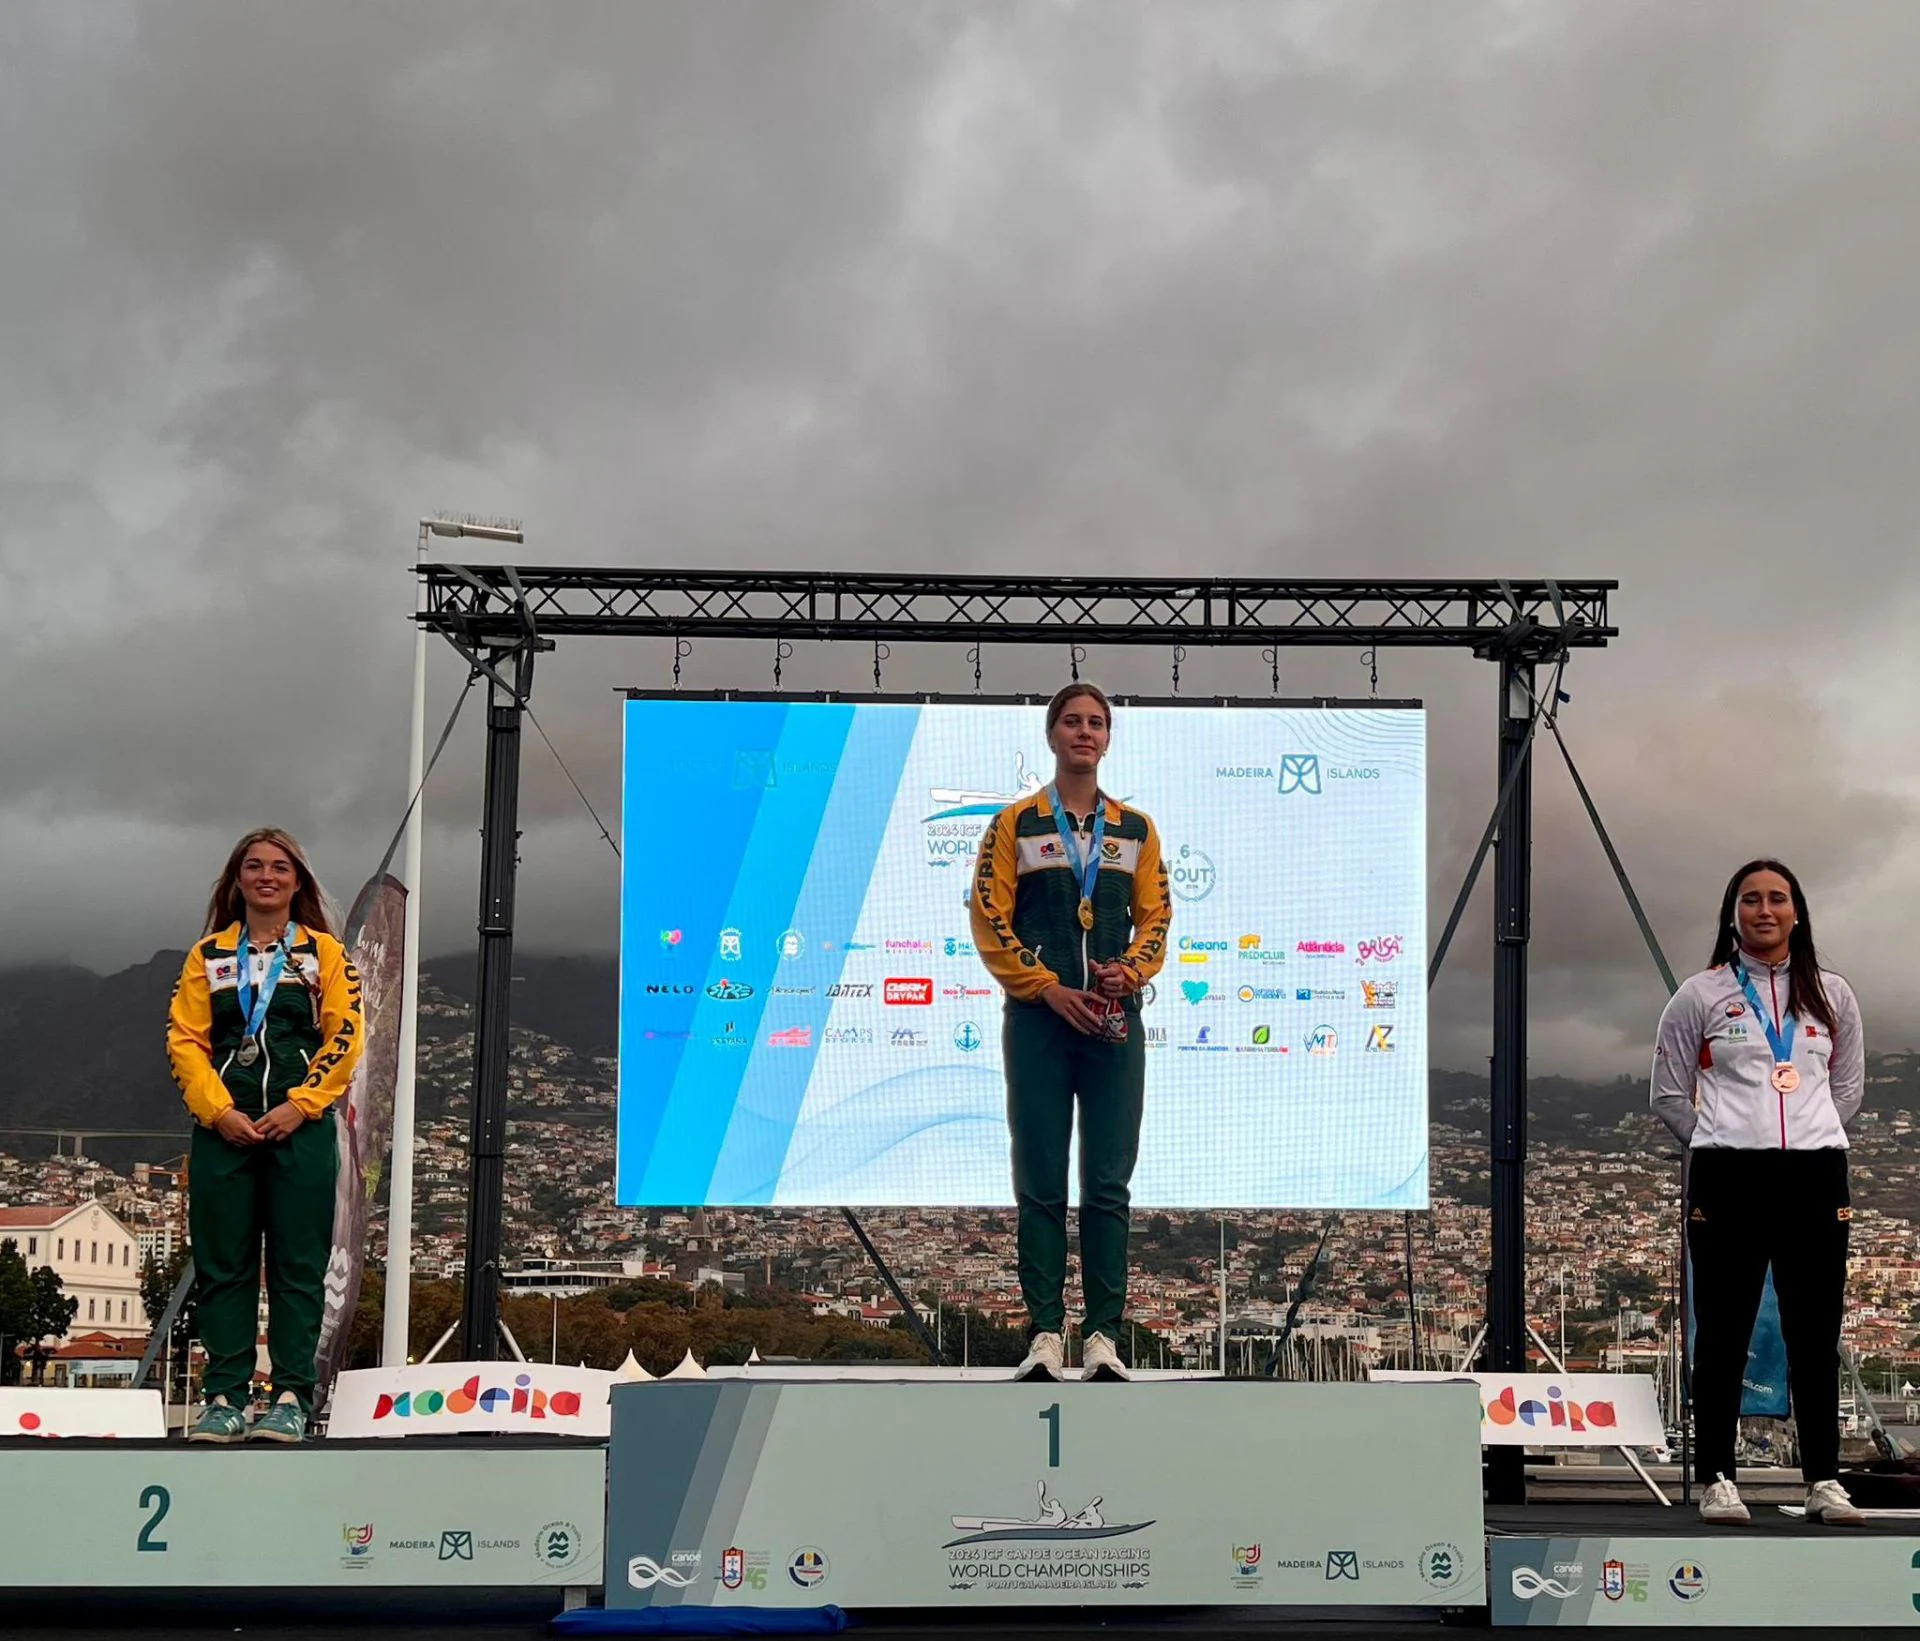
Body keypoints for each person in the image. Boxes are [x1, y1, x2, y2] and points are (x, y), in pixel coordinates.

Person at [1651, 858, 1866, 1525]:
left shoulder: (1833, 994)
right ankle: (1718, 1475)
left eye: (1777, 898)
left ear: (1797, 910)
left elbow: (1847, 1089)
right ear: (1733, 912)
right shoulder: (1701, 993)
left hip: (1813, 1172)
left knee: (1814, 1330)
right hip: (1728, 1173)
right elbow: (1666, 1092)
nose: (1764, 909)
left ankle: (1823, 1480)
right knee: (1723, 1330)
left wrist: (1809, 1133)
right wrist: (1718, 1134)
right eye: (1750, 899)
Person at [969, 684, 1171, 1382]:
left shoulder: (1135, 830)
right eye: (1073, 722)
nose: (1085, 732)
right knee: (1041, 1181)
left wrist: (1132, 971)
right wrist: (1046, 986)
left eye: (1096, 723)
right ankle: (1047, 1332)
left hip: (1114, 1024)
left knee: (1108, 1184)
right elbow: (990, 920)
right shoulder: (1012, 825)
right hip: (1040, 1021)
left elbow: (1157, 921)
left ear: (1107, 739)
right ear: (1053, 734)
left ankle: (1104, 1335)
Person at [167, 828, 363, 1442]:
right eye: (253, 866)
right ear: (237, 880)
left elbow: (345, 1036)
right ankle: (224, 1396)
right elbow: (185, 1040)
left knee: (296, 1266)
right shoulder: (208, 957)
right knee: (222, 1267)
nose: (266, 876)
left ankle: (290, 1396)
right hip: (223, 1131)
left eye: (280, 867)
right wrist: (218, 1110)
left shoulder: (325, 955)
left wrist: (300, 1105)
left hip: (298, 1131)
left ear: (297, 880)